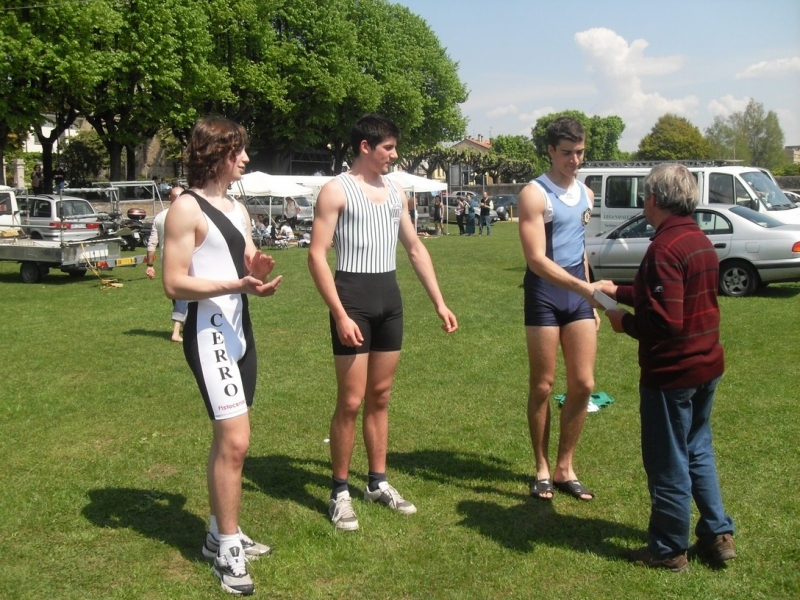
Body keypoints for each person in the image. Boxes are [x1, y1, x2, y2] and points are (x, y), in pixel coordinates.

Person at [308, 113, 458, 532]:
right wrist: (339, 313)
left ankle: (377, 482)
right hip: (353, 301)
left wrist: (439, 302)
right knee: (350, 401)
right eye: (388, 147)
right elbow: (317, 255)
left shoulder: (396, 192)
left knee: (381, 396)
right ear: (365, 147)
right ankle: (340, 491)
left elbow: (415, 249)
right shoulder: (336, 190)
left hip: (389, 301)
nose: (394, 154)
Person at [162, 115, 282, 596]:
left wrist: (258, 272)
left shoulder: (237, 208)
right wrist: (236, 283)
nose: (246, 159)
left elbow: (246, 259)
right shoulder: (185, 209)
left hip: (239, 331)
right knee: (236, 442)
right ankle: (228, 550)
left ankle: (218, 532)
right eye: (238, 152)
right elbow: (173, 282)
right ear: (216, 154)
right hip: (207, 331)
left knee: (229, 440)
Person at [595, 164, 735, 572]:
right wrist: (617, 290)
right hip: (706, 365)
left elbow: (665, 321)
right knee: (697, 450)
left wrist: (624, 322)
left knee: (668, 461)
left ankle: (669, 548)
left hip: (673, 374)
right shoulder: (698, 240)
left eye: (645, 196)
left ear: (654, 199)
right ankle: (717, 533)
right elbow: (671, 295)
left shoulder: (664, 248)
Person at [517, 116, 600, 502]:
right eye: (567, 153)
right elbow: (536, 259)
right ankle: (542, 466)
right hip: (544, 295)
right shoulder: (535, 194)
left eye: (580, 152)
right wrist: (585, 289)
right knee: (543, 385)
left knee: (584, 384)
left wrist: (587, 297)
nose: (574, 160)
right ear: (550, 150)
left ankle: (566, 466)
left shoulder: (587, 194)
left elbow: (579, 249)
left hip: (576, 295)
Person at [146, 185, 189, 342]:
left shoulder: (159, 217)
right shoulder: (186, 216)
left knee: (177, 295)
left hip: (166, 263)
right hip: (183, 261)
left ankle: (186, 326)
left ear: (170, 198)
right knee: (183, 295)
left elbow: (152, 243)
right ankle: (176, 332)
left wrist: (150, 265)